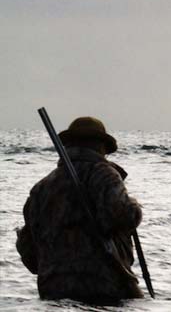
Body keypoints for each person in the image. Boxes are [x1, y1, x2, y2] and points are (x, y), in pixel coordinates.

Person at [15, 116, 144, 304]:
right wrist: (134, 206)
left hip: (52, 290)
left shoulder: (41, 187)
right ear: (102, 147)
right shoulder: (104, 174)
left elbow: (29, 250)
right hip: (104, 286)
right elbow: (122, 217)